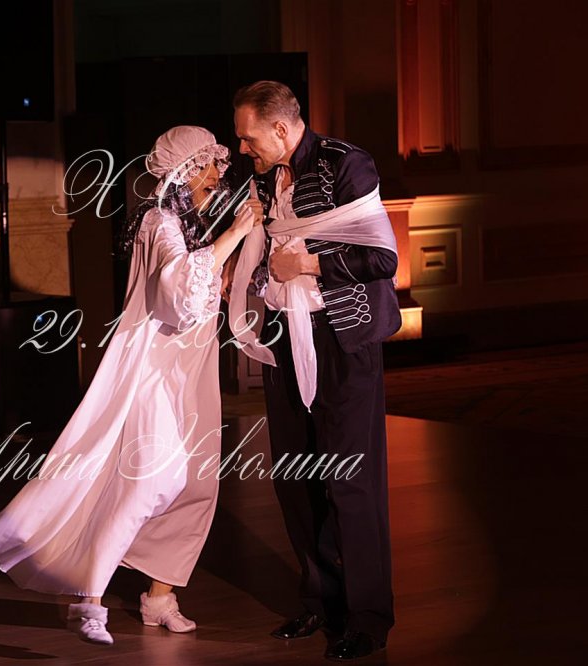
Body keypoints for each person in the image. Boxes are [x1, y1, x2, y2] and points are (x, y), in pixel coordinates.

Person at [0, 126, 263, 645]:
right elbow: (178, 289)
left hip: (191, 372)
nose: (219, 173)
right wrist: (235, 233)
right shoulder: (159, 221)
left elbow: (203, 290)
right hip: (153, 372)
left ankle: (160, 597)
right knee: (152, 480)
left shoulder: (191, 223)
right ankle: (88, 600)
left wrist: (235, 256)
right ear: (186, 171)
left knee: (196, 486)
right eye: (210, 164)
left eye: (219, 163)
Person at [223, 81, 400, 661]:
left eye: (249, 138)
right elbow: (268, 246)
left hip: (342, 339)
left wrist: (310, 262)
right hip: (285, 335)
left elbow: (382, 257)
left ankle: (368, 617)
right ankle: (322, 602)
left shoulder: (345, 163)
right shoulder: (263, 175)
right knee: (295, 477)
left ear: (280, 128)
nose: (243, 149)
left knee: (351, 481)